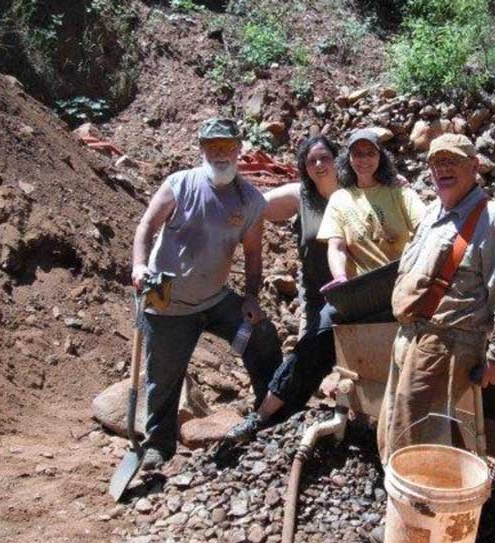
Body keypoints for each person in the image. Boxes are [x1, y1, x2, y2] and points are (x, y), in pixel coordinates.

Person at [130, 117, 282, 470]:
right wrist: (139, 266)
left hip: (215, 300)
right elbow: (147, 226)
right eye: (213, 146)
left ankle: (272, 408)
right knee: (163, 377)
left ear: (239, 149)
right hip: (166, 299)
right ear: (201, 149)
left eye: (227, 146)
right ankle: (159, 445)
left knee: (257, 335)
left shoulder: (250, 200)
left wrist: (252, 297)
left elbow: (254, 254)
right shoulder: (179, 184)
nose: (221, 153)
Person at [378, 133, 495, 460]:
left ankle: (423, 508)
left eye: (452, 161)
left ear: (474, 166)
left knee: (416, 447)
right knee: (393, 432)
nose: (443, 169)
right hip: (410, 340)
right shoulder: (433, 212)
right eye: (436, 162)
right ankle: (407, 506)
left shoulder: (494, 220)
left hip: (447, 347)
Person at [223, 136, 343, 444]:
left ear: (337, 159)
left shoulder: (355, 194)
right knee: (314, 352)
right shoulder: (299, 196)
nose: (319, 164)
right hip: (319, 295)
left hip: (354, 292)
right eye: (311, 160)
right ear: (304, 166)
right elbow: (255, 208)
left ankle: (266, 412)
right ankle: (278, 411)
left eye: (324, 157)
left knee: (315, 348)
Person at [317, 129, 427, 287]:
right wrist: (340, 277)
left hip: (403, 279)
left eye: (370, 153)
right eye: (357, 154)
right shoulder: (338, 200)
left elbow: (424, 228)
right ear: (348, 159)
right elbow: (336, 247)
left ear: (380, 157)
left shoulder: (399, 191)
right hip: (364, 288)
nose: (364, 159)